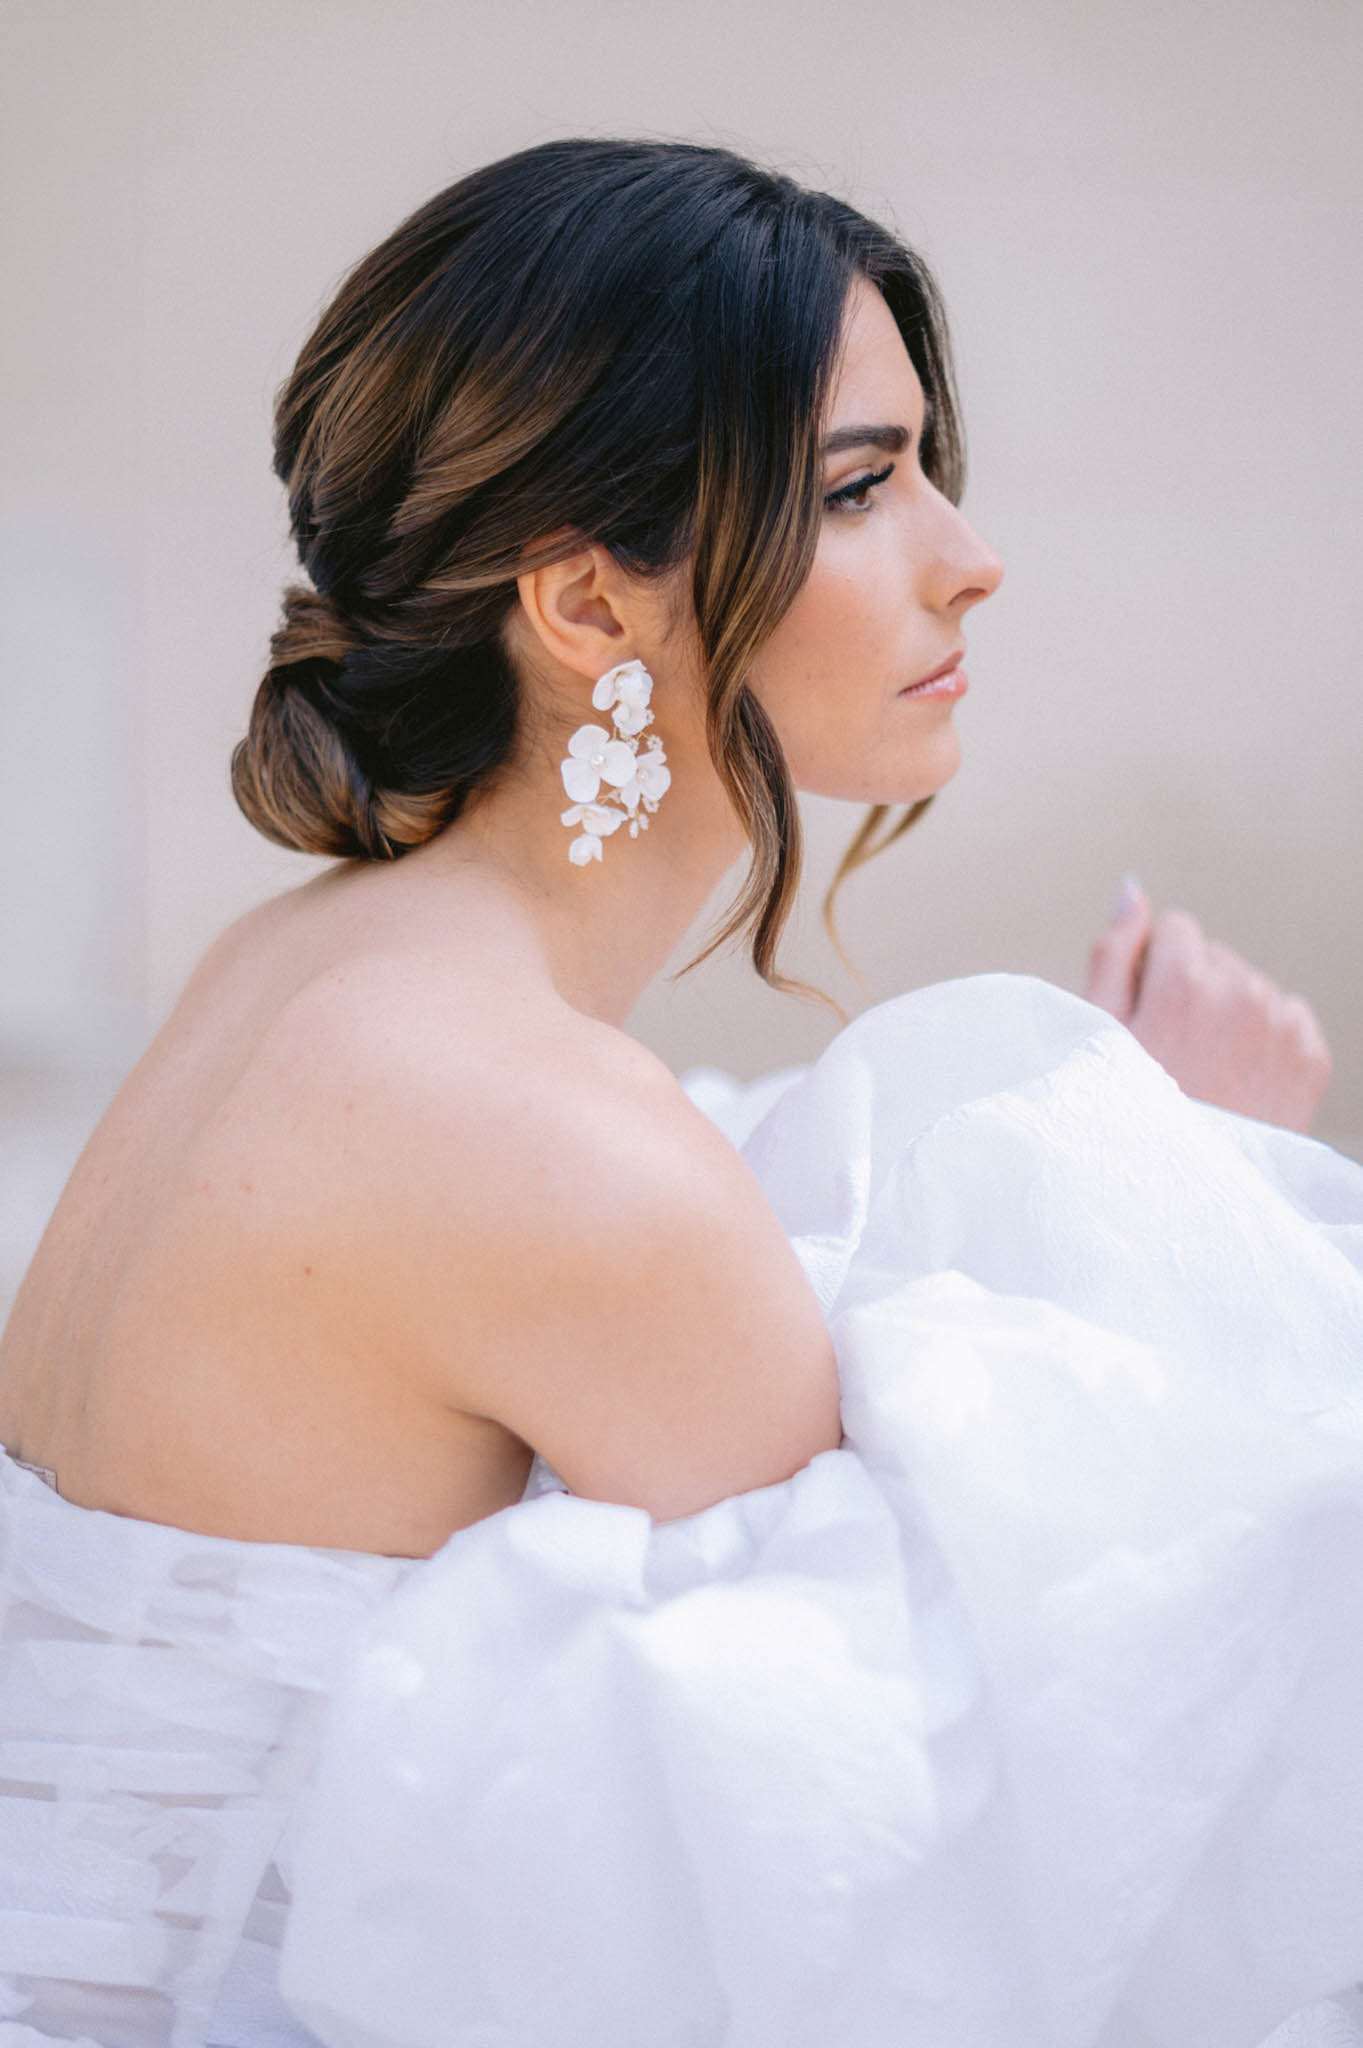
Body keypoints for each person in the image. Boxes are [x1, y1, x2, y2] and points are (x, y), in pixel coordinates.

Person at [0, 135, 1360, 2048]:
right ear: (586, 608)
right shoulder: (538, 1137)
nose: (971, 557)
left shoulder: (312, 965)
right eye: (865, 489)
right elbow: (913, 1860)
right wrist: (1183, 1176)